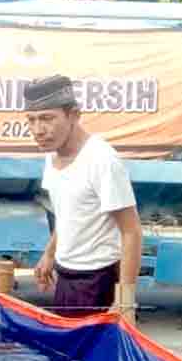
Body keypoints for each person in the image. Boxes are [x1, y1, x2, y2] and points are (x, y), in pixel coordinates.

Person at [24, 75, 143, 324]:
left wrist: (125, 303)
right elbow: (67, 214)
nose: (38, 130)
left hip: (98, 281)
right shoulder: (52, 156)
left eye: (47, 118)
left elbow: (131, 231)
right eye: (31, 120)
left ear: (74, 115)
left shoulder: (101, 160)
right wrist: (49, 254)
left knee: (89, 350)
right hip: (66, 277)